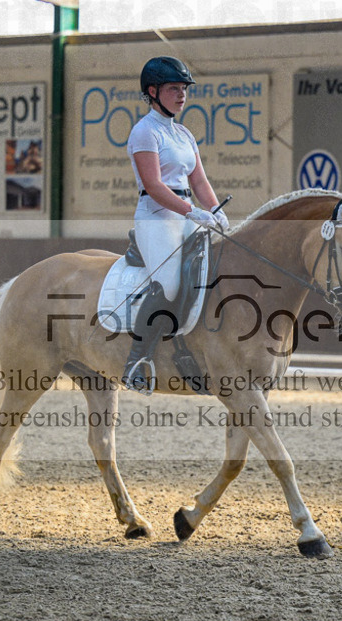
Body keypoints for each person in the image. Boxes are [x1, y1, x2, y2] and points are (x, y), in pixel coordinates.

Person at [122, 56, 228, 393]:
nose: (181, 95)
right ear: (152, 92)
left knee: (215, 269)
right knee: (168, 284)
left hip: (186, 212)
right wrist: (191, 211)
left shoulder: (183, 134)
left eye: (184, 89)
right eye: (173, 89)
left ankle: (196, 354)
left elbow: (199, 182)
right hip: (156, 216)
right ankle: (136, 360)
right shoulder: (144, 132)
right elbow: (154, 185)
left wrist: (214, 208)